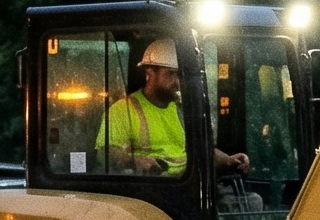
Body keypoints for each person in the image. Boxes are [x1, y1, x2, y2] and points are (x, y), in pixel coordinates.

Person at [96, 40, 247, 177]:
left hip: (188, 184)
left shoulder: (182, 108)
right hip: (153, 189)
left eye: (180, 75)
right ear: (150, 73)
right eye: (171, 74)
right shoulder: (123, 110)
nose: (177, 82)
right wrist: (135, 160)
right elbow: (104, 154)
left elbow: (202, 151)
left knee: (253, 200)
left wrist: (230, 160)